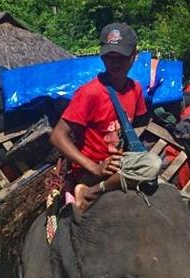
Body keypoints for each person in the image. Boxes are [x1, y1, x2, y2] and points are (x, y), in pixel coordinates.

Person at [50, 23, 151, 212]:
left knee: (152, 164)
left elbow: (131, 129)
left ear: (134, 56)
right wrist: (94, 168)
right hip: (93, 169)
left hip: (120, 164)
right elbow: (57, 136)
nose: (116, 63)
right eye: (110, 57)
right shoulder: (89, 93)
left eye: (122, 57)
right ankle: (90, 191)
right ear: (102, 57)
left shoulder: (135, 89)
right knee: (151, 164)